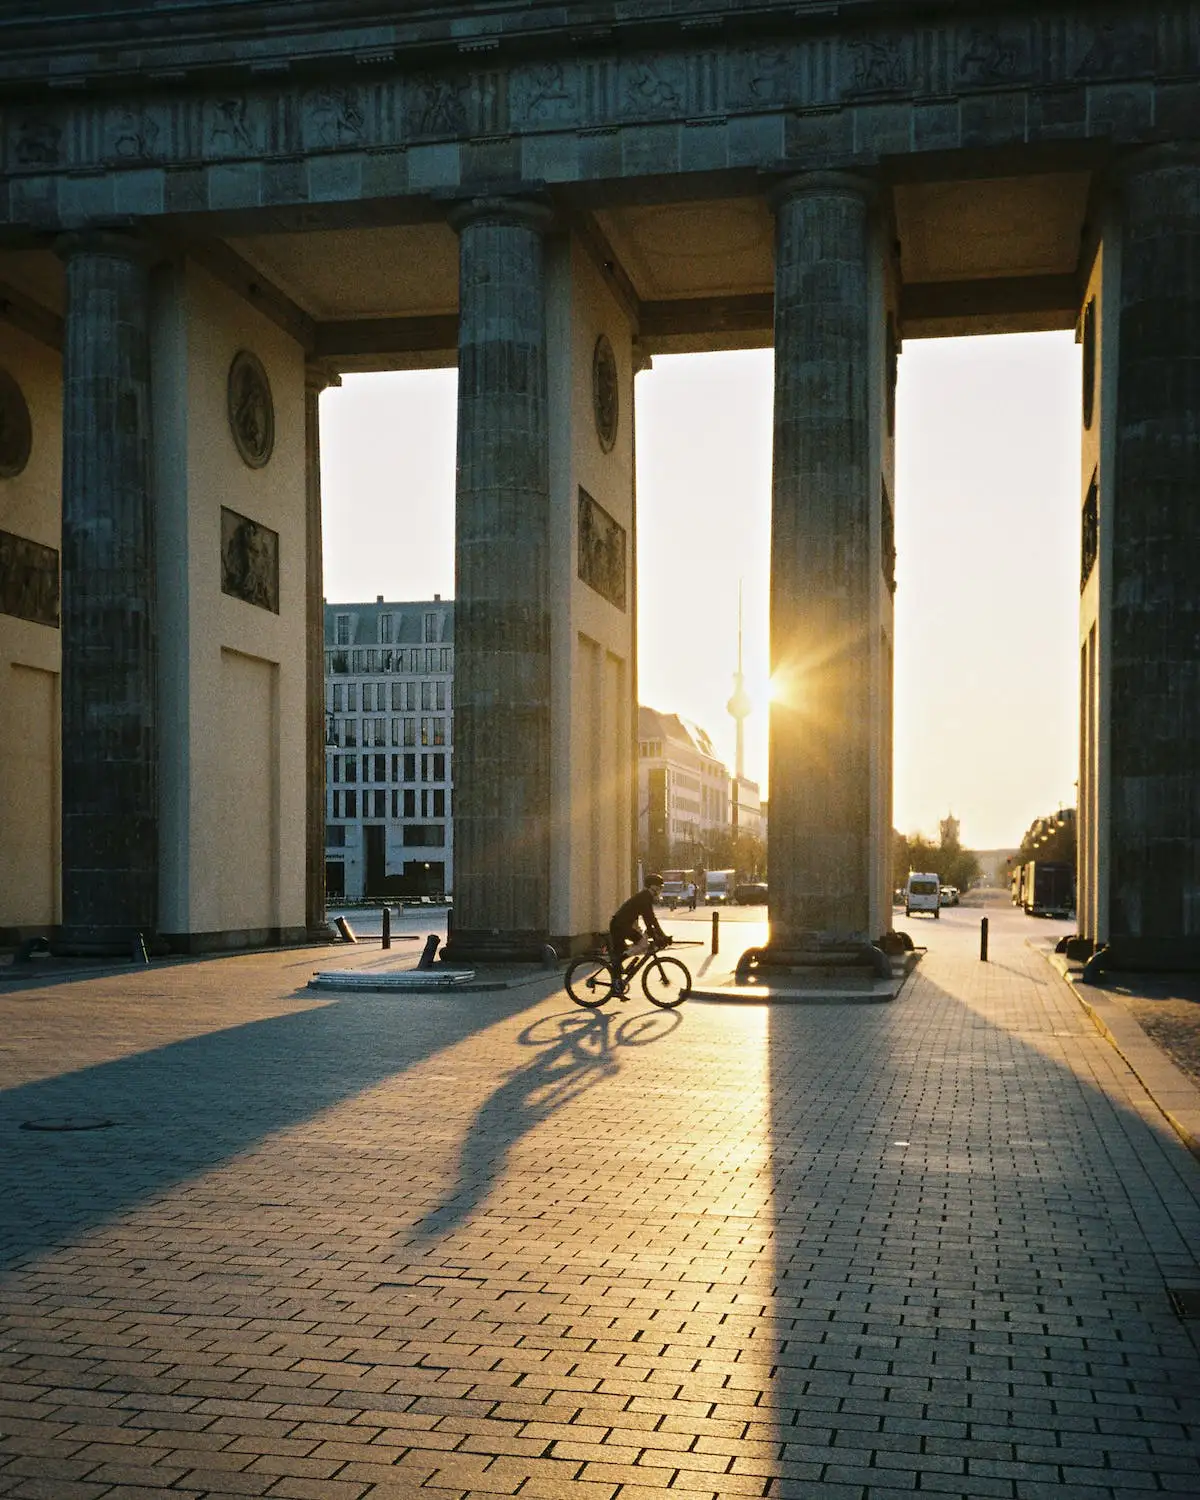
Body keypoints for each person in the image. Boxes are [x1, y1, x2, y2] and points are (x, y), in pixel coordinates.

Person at [609, 874, 670, 994]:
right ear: (652, 887)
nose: (659, 890)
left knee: (631, 948)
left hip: (622, 925)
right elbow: (650, 918)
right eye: (658, 887)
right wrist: (660, 935)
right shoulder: (644, 897)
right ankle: (617, 981)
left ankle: (618, 981)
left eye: (661, 888)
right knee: (641, 944)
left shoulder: (645, 896)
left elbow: (650, 919)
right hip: (620, 926)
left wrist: (660, 934)